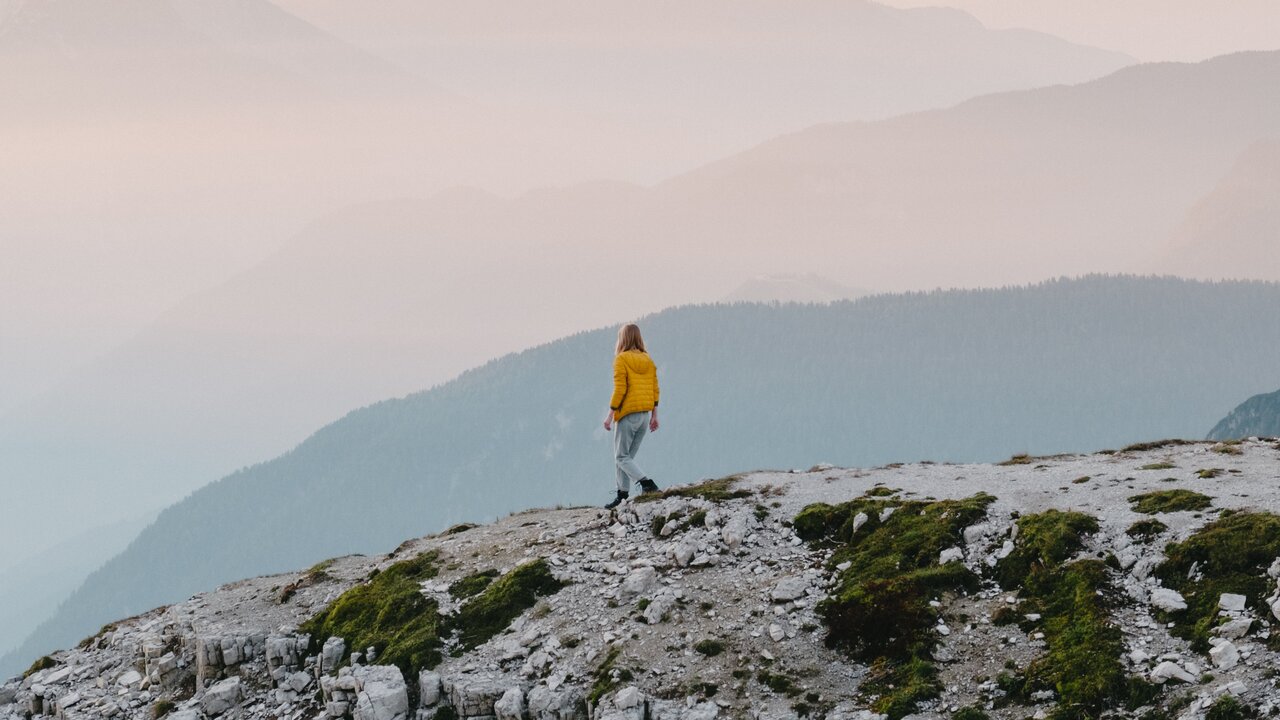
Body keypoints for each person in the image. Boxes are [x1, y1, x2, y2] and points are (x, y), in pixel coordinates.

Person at [603, 323, 661, 509]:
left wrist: (610, 414)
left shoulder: (621, 359)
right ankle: (622, 495)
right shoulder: (647, 359)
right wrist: (654, 415)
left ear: (623, 339)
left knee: (621, 457)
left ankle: (647, 484)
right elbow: (655, 389)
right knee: (625, 458)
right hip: (644, 415)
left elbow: (620, 389)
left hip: (628, 414)